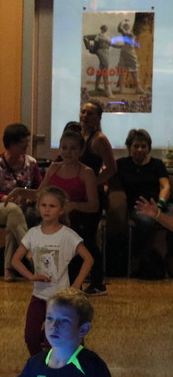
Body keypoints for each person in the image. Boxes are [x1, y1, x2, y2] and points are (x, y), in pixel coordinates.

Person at [10, 188, 92, 355]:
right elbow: (15, 260)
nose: (47, 210)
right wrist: (31, 276)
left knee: (51, 339)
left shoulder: (67, 235)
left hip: (60, 299)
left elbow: (88, 259)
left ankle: (53, 365)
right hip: (38, 296)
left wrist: (76, 286)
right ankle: (38, 363)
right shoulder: (33, 233)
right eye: (43, 205)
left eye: (52, 206)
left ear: (61, 210)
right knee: (31, 336)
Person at [44, 128, 101, 297]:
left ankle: (75, 291)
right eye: (64, 148)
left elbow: (94, 205)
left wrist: (74, 205)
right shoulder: (54, 168)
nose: (68, 152)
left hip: (77, 222)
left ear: (81, 151)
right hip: (56, 221)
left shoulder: (86, 172)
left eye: (73, 148)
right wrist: (20, 192)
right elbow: (40, 193)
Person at [0, 123, 43, 280]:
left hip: (23, 209)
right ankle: (29, 251)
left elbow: (39, 190)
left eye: (27, 142)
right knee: (12, 209)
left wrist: (28, 198)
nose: (26, 145)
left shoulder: (31, 163)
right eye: (22, 142)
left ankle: (8, 269)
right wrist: (7, 198)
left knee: (13, 220)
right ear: (11, 144)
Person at [110, 128, 169, 278]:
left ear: (149, 148)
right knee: (146, 221)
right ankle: (138, 259)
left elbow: (165, 186)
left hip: (160, 205)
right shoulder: (121, 164)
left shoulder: (157, 164)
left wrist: (160, 204)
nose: (140, 150)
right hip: (138, 207)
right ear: (129, 147)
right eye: (136, 146)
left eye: (144, 146)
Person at [76, 102, 115, 295]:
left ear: (98, 117)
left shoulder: (99, 140)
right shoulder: (78, 137)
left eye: (90, 113)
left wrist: (92, 184)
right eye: (83, 112)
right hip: (77, 194)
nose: (85, 116)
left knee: (88, 237)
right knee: (76, 235)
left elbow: (112, 169)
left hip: (92, 196)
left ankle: (98, 281)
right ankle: (77, 280)